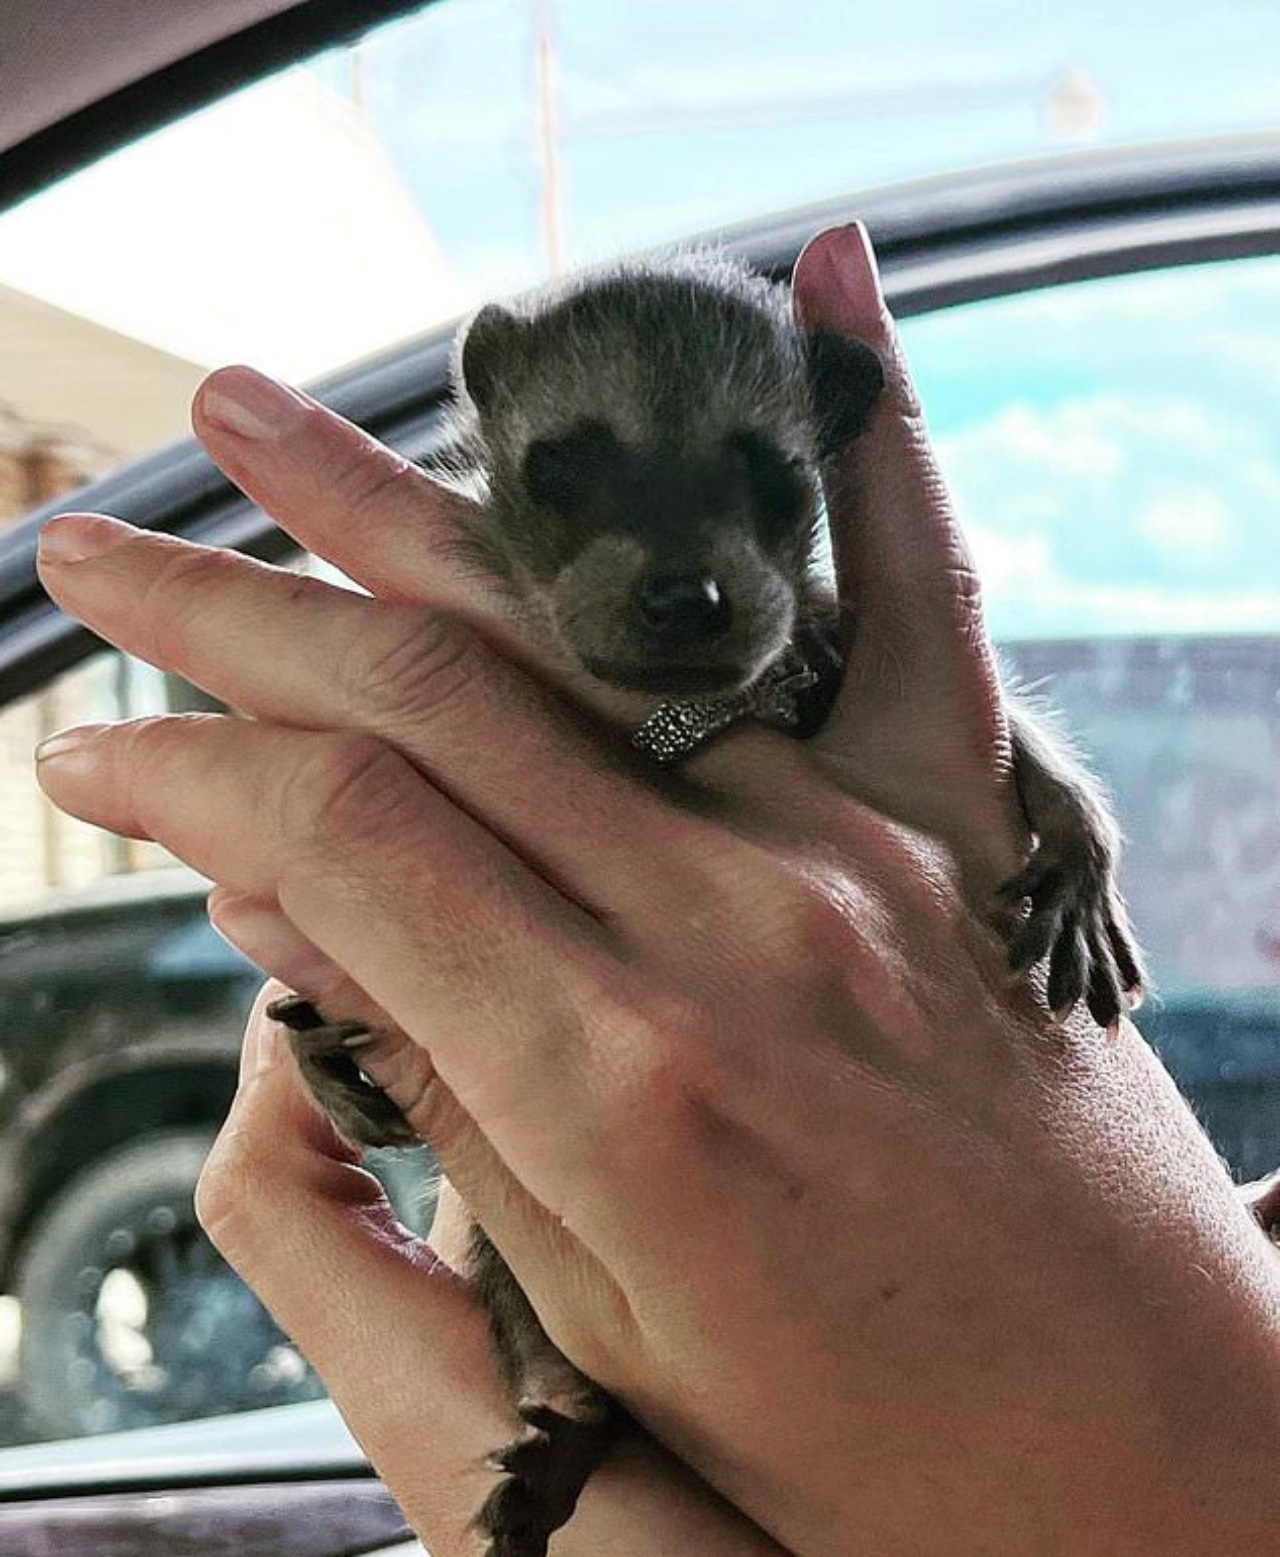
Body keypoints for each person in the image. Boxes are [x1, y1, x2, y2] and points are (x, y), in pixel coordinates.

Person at [33, 225, 1280, 1555]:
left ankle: (564, 1391)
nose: (682, 573)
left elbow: (1033, 779)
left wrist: (1072, 863)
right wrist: (360, 1033)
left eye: (755, 485)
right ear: (493, 426)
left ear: (825, 467)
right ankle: (563, 1388)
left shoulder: (851, 677)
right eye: (576, 483)